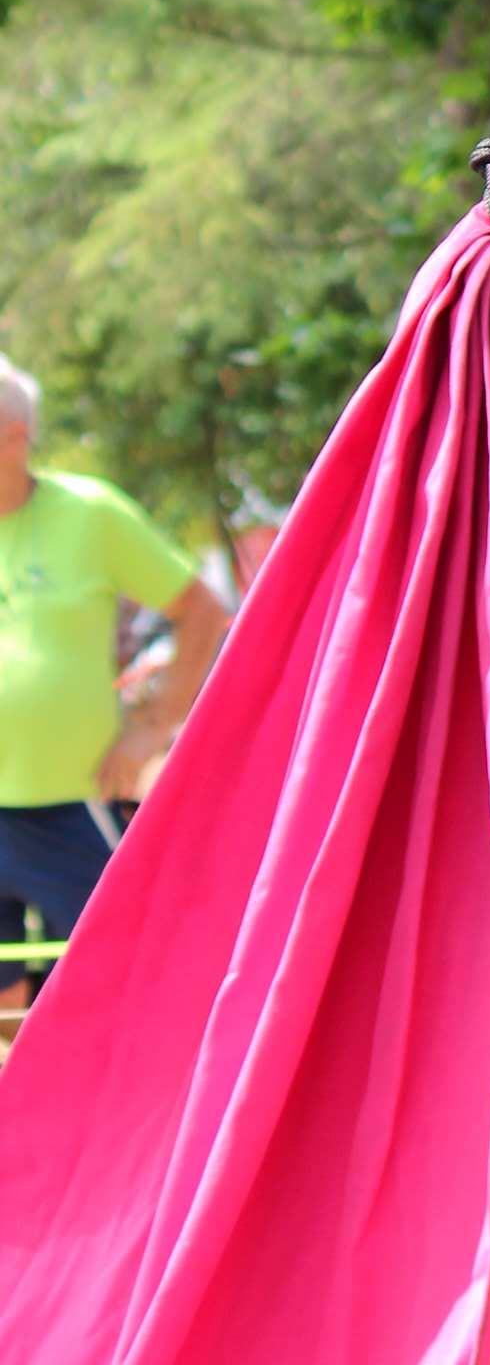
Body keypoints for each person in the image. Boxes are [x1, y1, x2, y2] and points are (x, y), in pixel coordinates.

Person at [0, 356, 228, 990]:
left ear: (15, 436)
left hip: (73, 802)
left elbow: (204, 612)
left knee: (118, 982)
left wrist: (152, 726)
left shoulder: (90, 514)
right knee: (7, 1001)